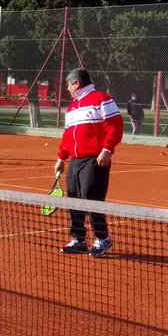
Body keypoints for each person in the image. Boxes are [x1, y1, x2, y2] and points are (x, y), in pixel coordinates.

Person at [55, 68, 123, 258]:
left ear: (77, 83)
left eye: (68, 85)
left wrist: (107, 149)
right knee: (74, 197)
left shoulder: (102, 98)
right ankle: (79, 239)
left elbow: (115, 126)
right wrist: (61, 158)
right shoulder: (72, 108)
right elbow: (68, 136)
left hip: (95, 159)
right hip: (75, 160)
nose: (67, 89)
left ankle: (103, 238)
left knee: (91, 198)